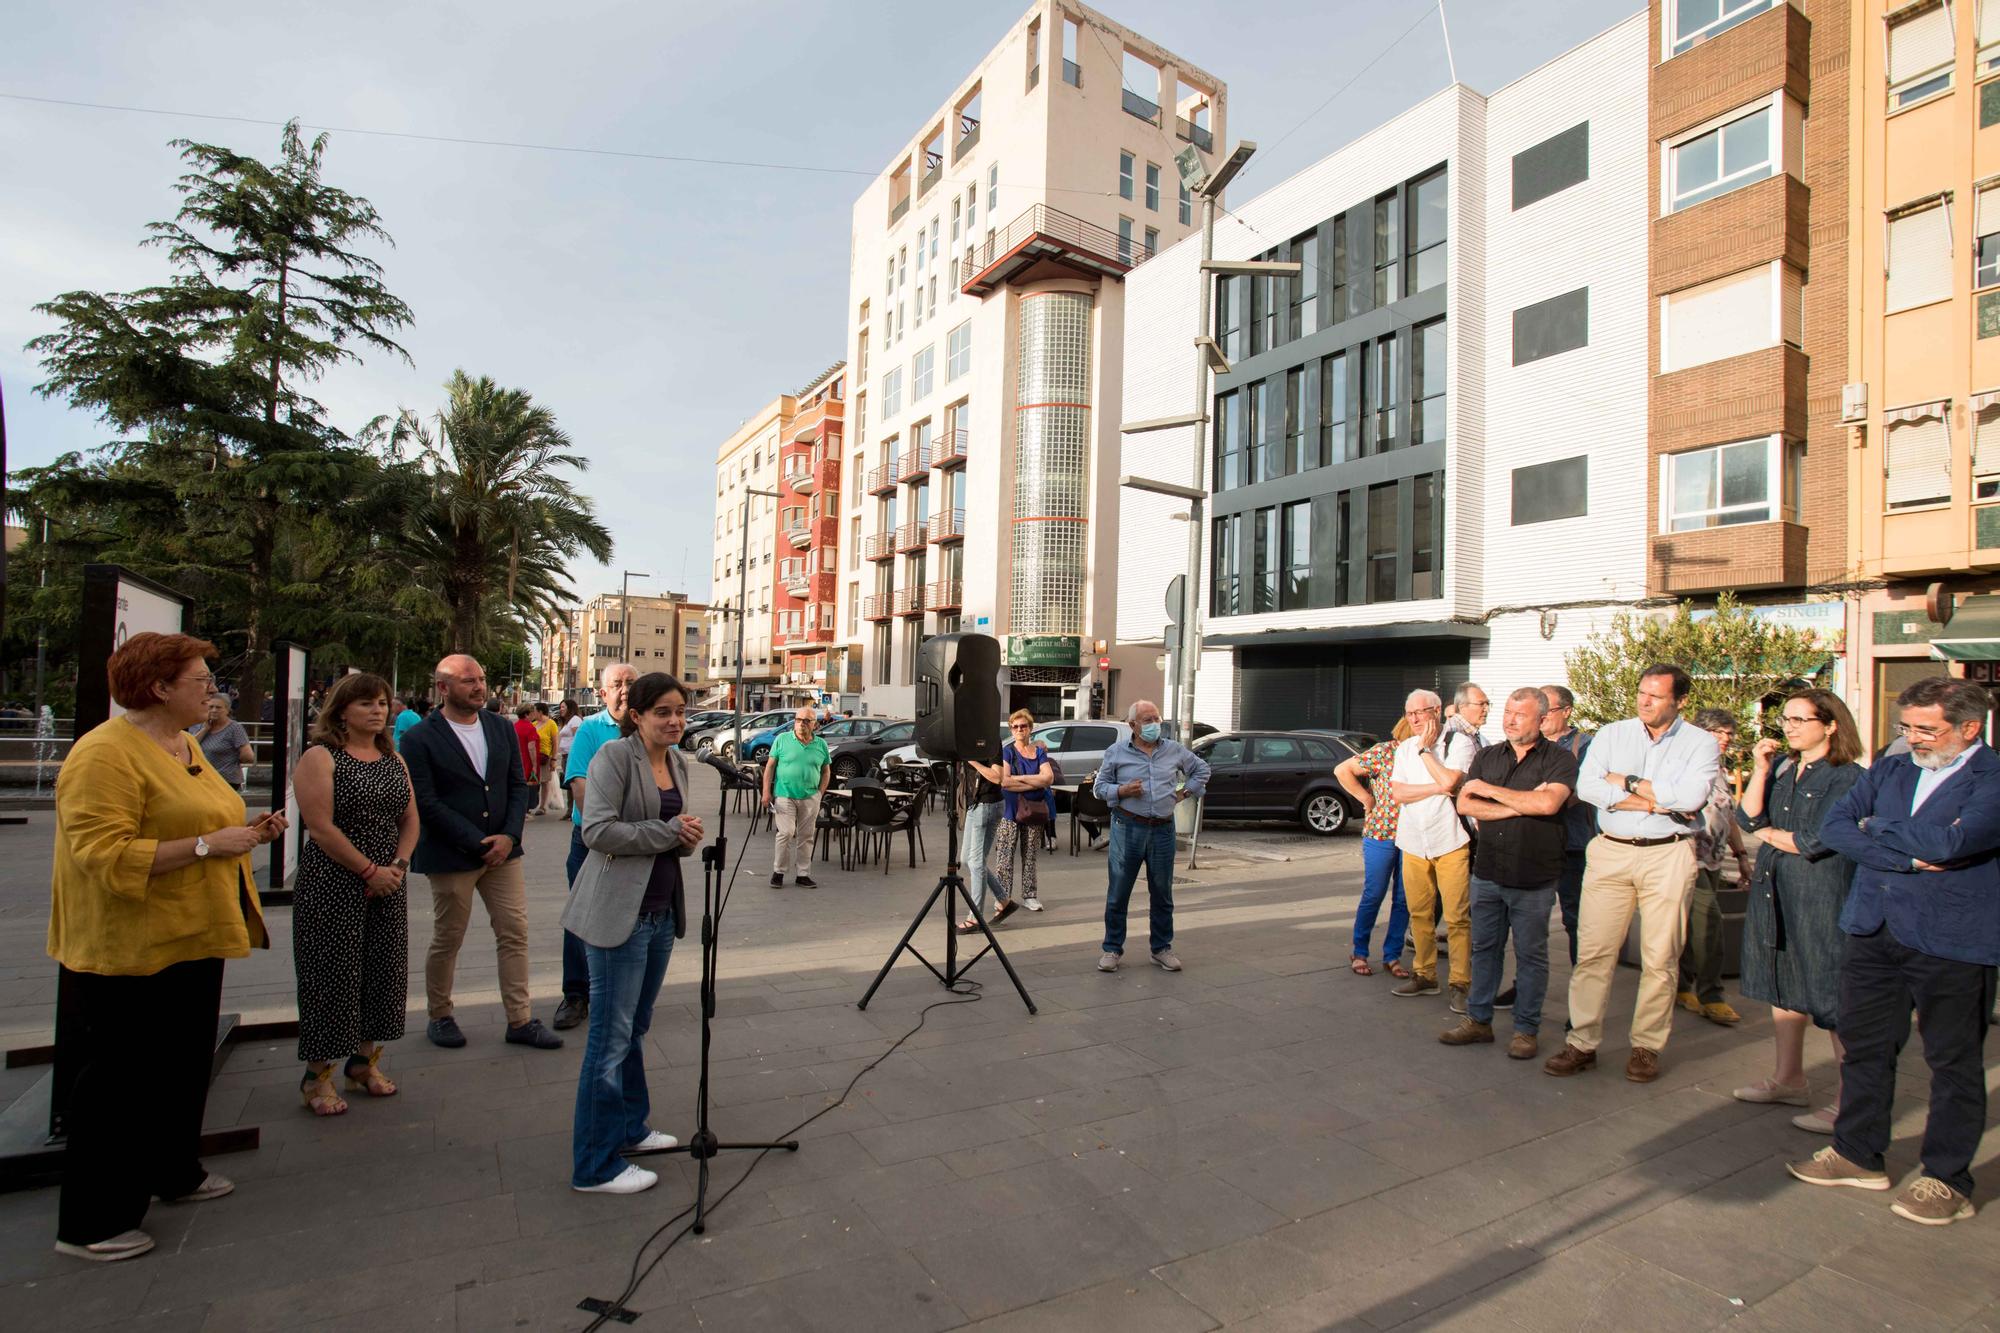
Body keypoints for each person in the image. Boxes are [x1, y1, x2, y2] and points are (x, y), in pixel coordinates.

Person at [48, 633, 285, 1261]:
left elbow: (201, 818)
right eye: (202, 681)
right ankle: (92, 1222)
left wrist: (248, 832)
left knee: (180, 1062)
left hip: (193, 932)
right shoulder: (103, 755)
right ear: (159, 687)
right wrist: (211, 846)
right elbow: (103, 854)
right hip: (129, 943)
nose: (214, 691)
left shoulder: (183, 744)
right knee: (122, 1077)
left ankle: (173, 1172)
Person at [1786, 676, 1999, 1226]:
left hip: (1950, 938)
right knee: (1864, 1045)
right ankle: (1857, 1152)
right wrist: (1902, 852)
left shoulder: (1992, 777)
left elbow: (1954, 844)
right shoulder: (1892, 766)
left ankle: (1946, 1177)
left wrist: (1876, 829)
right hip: (1872, 927)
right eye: (1907, 727)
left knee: (1952, 1061)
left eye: (1926, 729)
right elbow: (1835, 827)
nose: (1913, 738)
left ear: (1968, 728)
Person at [1545, 664, 1717, 1083]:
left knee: (1661, 957)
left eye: (1656, 696)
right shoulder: (1612, 734)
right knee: (1593, 952)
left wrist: (1628, 782)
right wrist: (1658, 801)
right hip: (1610, 852)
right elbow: (1589, 788)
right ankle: (1581, 1042)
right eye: (1641, 692)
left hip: (1668, 855)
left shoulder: (1701, 743)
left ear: (1680, 701)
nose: (1644, 701)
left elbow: (1692, 797)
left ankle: (1646, 1047)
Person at [565, 672, 699, 1194]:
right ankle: (594, 1166)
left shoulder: (681, 763)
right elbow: (596, 829)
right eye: (663, 712)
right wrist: (669, 831)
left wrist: (684, 838)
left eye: (681, 712)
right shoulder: (614, 759)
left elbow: (670, 837)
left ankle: (630, 1130)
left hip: (661, 915)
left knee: (635, 1029)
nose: (675, 721)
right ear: (636, 715)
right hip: (619, 916)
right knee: (609, 1038)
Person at [401, 655, 559, 1050]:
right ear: (443, 688)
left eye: (481, 679)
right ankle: (440, 1015)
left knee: (514, 933)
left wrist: (508, 835)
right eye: (468, 681)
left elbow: (517, 784)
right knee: (448, 937)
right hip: (452, 854)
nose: (478, 686)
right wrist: (476, 842)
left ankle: (520, 1020)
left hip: (504, 854)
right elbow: (426, 801)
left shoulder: (499, 728)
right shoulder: (420, 737)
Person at [1730, 688, 1864, 1131]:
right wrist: (1761, 770)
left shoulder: (1847, 777)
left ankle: (1850, 1104)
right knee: (1783, 984)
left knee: (1830, 994)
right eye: (1784, 719)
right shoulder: (1786, 768)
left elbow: (1814, 841)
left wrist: (1769, 834)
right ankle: (1789, 1079)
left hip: (1820, 893)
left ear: (1830, 725)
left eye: (1799, 720)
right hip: (1777, 887)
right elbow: (1748, 818)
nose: (1788, 727)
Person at [290, 672, 416, 1116]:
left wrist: (397, 867)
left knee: (382, 971)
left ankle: (363, 1062)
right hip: (334, 882)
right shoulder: (321, 757)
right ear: (342, 710)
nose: (378, 710)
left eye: (382, 703)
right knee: (331, 974)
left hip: (388, 882)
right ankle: (317, 1075)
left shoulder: (393, 759)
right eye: (366, 703)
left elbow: (410, 820)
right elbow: (321, 827)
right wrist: (368, 870)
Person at [1441, 687, 1578, 1060]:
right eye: (1507, 712)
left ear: (1543, 718)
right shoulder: (1487, 756)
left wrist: (1491, 792)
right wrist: (1521, 804)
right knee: (1485, 949)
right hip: (1488, 871)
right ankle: (1478, 1020)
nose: (1510, 719)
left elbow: (1550, 803)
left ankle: (1525, 1029)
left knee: (1531, 955)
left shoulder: (1560, 760)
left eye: (1520, 714)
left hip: (1534, 875)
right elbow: (1466, 803)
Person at [1093, 700, 1209, 972]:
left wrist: (1185, 793)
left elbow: (1202, 770)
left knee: (1162, 893)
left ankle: (1161, 948)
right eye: (1147, 720)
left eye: (1156, 718)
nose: (1154, 724)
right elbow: (1099, 788)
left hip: (1163, 830)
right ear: (1133, 725)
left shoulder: (1173, 750)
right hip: (1127, 827)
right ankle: (1112, 949)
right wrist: (1121, 792)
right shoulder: (1117, 751)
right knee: (1119, 893)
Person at [559, 664, 637, 1030]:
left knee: (634, 918)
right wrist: (611, 830)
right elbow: (579, 786)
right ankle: (576, 994)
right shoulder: (591, 730)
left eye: (631, 683)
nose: (624, 690)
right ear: (602, 693)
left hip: (638, 843)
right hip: (593, 841)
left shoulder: (646, 730)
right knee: (582, 917)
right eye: (616, 684)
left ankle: (623, 993)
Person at [1387, 690, 1476, 1009]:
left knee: (1456, 917)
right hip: (1411, 840)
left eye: (1419, 713)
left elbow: (1451, 780)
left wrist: (1426, 752)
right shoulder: (1404, 748)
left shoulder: (1458, 743)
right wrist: (1437, 787)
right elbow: (1398, 793)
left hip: (1449, 839)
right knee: (1420, 913)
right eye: (1409, 713)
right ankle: (1424, 974)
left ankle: (1460, 982)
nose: (1412, 720)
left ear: (1436, 711)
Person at [1678, 708, 1754, 1027]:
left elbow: (1728, 816)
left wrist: (1741, 855)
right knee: (1710, 923)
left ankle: (1683, 985)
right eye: (1717, 733)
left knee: (1697, 924)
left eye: (1728, 734)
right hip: (1688, 856)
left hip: (1713, 859)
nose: (1725, 739)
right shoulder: (1684, 765)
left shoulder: (1718, 768)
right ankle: (1711, 994)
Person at [1336, 717, 1415, 978]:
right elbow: (1342, 770)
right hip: (1382, 833)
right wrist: (1365, 798)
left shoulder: (1426, 755)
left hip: (1414, 836)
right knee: (1374, 893)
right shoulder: (1385, 751)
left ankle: (1392, 956)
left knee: (1404, 899)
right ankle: (1360, 951)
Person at [1541, 684, 1595, 966]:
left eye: (1546, 709)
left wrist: (1538, 798)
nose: (1541, 716)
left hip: (1572, 845)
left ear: (1567, 711)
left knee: (1576, 919)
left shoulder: (1586, 745)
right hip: (1535, 845)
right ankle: (1525, 987)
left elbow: (1580, 792)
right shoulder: (1531, 744)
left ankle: (1583, 989)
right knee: (1531, 920)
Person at [992, 710, 1057, 912]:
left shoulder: (1039, 752)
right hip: (1010, 811)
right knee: (1005, 856)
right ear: (1011, 729)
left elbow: (1049, 778)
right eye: (1015, 726)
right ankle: (1002, 897)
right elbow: (1005, 781)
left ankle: (1030, 896)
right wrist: (1035, 782)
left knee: (1030, 855)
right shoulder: (1008, 751)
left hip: (1034, 812)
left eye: (1023, 726)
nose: (1019, 730)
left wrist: (1021, 780)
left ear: (1030, 728)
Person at [763, 705, 831, 889]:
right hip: (785, 794)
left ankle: (803, 874)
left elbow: (826, 771)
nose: (801, 724)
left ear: (815, 725)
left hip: (810, 796)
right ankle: (778, 872)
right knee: (785, 833)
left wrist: (820, 792)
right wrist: (766, 792)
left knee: (806, 836)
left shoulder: (821, 745)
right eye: (798, 720)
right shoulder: (782, 740)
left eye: (806, 721)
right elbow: (770, 767)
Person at [956, 750, 1013, 932]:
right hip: (974, 804)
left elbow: (997, 777)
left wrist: (972, 761)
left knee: (976, 862)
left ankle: (975, 917)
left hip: (987, 805)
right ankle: (1004, 901)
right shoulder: (966, 739)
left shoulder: (991, 741)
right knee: (967, 859)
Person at [190, 694, 254, 790]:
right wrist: (205, 730)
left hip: (226, 780)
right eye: (211, 707)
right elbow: (191, 745)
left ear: (227, 710)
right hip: (205, 779)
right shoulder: (203, 725)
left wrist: (230, 762)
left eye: (218, 707)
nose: (214, 710)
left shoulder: (235, 728)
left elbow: (248, 756)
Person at [513, 704, 543, 814]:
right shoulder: (530, 728)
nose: (533, 715)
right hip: (527, 761)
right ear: (526, 714)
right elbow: (531, 747)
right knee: (528, 786)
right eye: (532, 713)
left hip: (517, 760)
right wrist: (534, 765)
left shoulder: (514, 726)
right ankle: (525, 810)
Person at [532, 702, 560, 815]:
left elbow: (555, 742)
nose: (533, 713)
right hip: (533, 757)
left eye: (534, 711)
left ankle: (542, 806)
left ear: (540, 712)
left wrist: (554, 759)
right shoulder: (533, 724)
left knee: (544, 781)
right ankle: (533, 803)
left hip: (545, 757)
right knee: (533, 782)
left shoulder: (551, 724)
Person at [556, 700, 583, 814]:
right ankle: (569, 810)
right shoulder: (567, 721)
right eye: (560, 707)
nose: (561, 709)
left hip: (572, 756)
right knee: (568, 783)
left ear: (570, 708)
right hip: (565, 756)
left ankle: (574, 811)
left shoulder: (575, 720)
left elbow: (578, 738)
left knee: (573, 783)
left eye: (563, 707)